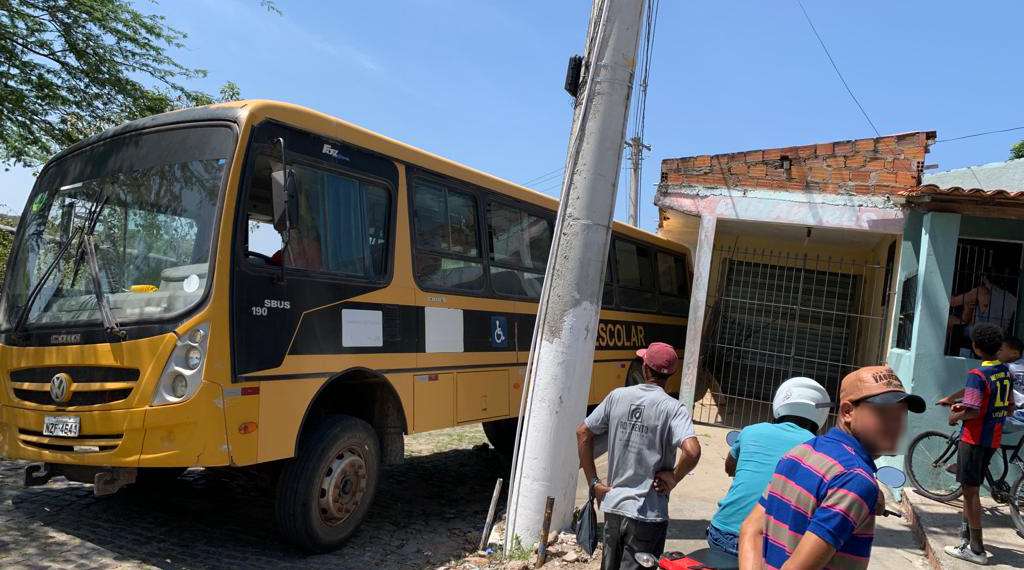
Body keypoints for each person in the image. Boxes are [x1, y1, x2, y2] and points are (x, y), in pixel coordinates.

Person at [737, 366, 925, 570]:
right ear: (847, 412)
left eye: (900, 415)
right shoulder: (856, 480)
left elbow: (751, 528)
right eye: (884, 413)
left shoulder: (800, 451)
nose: (897, 425)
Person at [577, 342, 702, 570]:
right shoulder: (673, 408)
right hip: (648, 515)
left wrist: (594, 482)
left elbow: (583, 432)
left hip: (614, 508)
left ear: (645, 369)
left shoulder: (617, 397)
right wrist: (674, 477)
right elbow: (692, 451)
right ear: (671, 375)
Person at [706, 377, 830, 556]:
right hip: (772, 542)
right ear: (821, 414)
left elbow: (729, 468)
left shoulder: (751, 431)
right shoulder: (820, 448)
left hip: (722, 532)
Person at [941, 323, 1013, 564]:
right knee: (969, 488)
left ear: (975, 347)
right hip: (993, 438)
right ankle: (967, 537)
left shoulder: (977, 375)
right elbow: (1007, 405)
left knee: (970, 492)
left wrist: (954, 416)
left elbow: (972, 411)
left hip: (973, 438)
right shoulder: (1004, 372)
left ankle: (977, 549)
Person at [1000, 337, 1024, 432]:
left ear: (1015, 353)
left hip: (1017, 413)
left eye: (1001, 349)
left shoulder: (1005, 367)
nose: (998, 352)